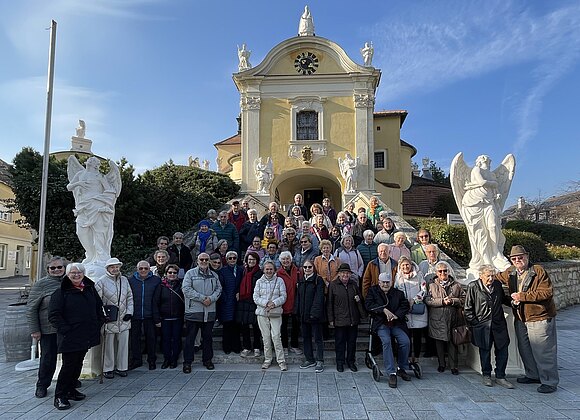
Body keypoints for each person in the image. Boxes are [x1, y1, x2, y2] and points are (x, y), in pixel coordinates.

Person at [496, 245, 558, 393]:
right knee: (525, 349)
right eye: (514, 258)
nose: (518, 260)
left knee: (543, 351)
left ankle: (549, 382)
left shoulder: (538, 271)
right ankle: (533, 375)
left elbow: (546, 293)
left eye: (520, 257)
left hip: (539, 317)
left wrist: (522, 297)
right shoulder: (511, 272)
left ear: (527, 256)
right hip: (521, 317)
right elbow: (496, 278)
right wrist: (483, 279)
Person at [48, 263, 105, 410]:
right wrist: (66, 329)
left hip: (86, 334)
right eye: (73, 273)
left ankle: (71, 390)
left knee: (78, 363)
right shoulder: (61, 292)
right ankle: (60, 396)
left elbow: (98, 306)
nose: (76, 275)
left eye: (79, 272)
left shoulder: (89, 289)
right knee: (68, 366)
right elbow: (54, 315)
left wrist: (98, 322)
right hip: (70, 336)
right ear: (67, 275)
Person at [465, 265, 514, 389]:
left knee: (503, 350)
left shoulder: (497, 285)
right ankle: (486, 375)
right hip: (483, 325)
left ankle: (500, 376)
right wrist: (476, 323)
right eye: (488, 276)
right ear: (481, 276)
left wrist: (514, 302)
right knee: (485, 352)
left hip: (498, 324)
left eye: (492, 276)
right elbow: (468, 309)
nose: (491, 279)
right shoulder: (473, 286)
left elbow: (503, 299)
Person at [66, 156, 121, 264]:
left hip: (97, 205)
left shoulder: (100, 176)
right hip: (83, 207)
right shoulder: (80, 174)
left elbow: (110, 190)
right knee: (80, 232)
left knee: (99, 232)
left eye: (93, 161)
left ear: (95, 165)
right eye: (91, 160)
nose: (90, 161)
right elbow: (69, 187)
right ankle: (90, 255)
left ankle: (101, 257)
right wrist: (78, 183)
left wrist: (105, 203)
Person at [27, 257, 66, 399]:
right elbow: (31, 308)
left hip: (66, 328)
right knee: (48, 358)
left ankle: (70, 381)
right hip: (48, 328)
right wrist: (34, 329)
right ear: (48, 270)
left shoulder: (68, 282)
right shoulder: (41, 285)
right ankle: (42, 385)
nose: (57, 270)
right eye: (53, 268)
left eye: (59, 267)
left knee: (70, 357)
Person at [366, 272, 411, 388]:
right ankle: (391, 372)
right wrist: (383, 310)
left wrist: (396, 315)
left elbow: (405, 306)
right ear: (379, 282)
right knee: (386, 341)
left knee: (405, 341)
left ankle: (402, 368)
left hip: (396, 324)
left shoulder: (398, 293)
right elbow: (369, 305)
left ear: (391, 283)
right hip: (381, 324)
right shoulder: (373, 291)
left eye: (387, 282)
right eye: (383, 282)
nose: (385, 285)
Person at [182, 253, 222, 372]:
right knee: (190, 339)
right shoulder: (190, 274)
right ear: (197, 260)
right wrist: (202, 298)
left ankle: (207, 360)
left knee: (208, 338)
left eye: (206, 259)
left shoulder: (214, 275)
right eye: (202, 259)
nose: (204, 261)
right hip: (194, 312)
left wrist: (211, 298)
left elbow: (219, 289)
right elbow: (186, 289)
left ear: (209, 261)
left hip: (209, 312)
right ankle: (187, 362)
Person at [95, 257, 134, 379]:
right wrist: (103, 315)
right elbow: (97, 301)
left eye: (117, 267)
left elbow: (130, 297)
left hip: (123, 318)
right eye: (112, 267)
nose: (115, 269)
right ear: (107, 268)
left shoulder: (124, 280)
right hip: (109, 319)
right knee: (108, 346)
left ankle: (122, 367)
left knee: (123, 345)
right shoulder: (101, 281)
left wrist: (129, 312)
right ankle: (108, 368)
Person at [425, 261, 465, 375]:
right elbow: (427, 300)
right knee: (439, 343)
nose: (443, 273)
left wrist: (453, 301)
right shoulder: (431, 285)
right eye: (440, 271)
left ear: (448, 271)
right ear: (436, 273)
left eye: (445, 271)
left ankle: (454, 366)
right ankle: (441, 364)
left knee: (453, 343)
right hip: (437, 318)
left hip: (453, 318)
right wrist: (442, 301)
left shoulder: (456, 285)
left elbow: (464, 299)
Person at [393, 256, 428, 378]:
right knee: (406, 337)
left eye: (407, 264)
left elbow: (424, 289)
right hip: (405, 310)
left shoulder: (419, 275)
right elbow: (396, 291)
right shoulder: (398, 277)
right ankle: (406, 359)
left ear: (411, 264)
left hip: (416, 308)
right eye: (403, 265)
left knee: (417, 336)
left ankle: (416, 358)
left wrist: (414, 299)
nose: (405, 267)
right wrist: (403, 302)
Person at [327, 263, 364, 372]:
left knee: (352, 343)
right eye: (343, 273)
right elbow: (329, 303)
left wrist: (358, 299)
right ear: (339, 274)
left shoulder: (353, 284)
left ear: (350, 274)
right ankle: (340, 362)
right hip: (340, 319)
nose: (345, 275)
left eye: (347, 273)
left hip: (353, 319)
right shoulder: (333, 285)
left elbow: (360, 299)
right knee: (340, 343)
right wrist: (331, 319)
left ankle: (351, 362)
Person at [253, 261, 287, 371]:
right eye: (267, 269)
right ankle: (267, 360)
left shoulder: (279, 280)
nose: (269, 271)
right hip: (262, 313)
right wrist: (266, 303)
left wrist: (274, 303)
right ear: (263, 270)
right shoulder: (259, 282)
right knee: (266, 337)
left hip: (275, 312)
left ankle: (281, 361)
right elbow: (255, 297)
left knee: (276, 337)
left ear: (274, 270)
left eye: (271, 269)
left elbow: (283, 296)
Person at [128, 261, 161, 370]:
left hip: (150, 314)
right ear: (137, 269)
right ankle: (136, 360)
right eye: (141, 268)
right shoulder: (130, 281)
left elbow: (158, 299)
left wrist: (157, 316)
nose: (143, 270)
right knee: (135, 339)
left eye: (146, 268)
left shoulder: (156, 280)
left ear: (149, 269)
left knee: (151, 339)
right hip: (135, 314)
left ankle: (152, 360)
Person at [294, 260, 325, 373]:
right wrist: (297, 311)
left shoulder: (318, 280)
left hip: (315, 316)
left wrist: (314, 313)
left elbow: (319, 298)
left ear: (313, 268)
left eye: (309, 267)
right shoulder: (301, 280)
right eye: (305, 267)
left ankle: (320, 360)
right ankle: (309, 359)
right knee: (306, 338)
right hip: (303, 315)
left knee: (318, 339)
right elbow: (298, 297)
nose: (307, 269)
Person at [153, 264, 185, 369]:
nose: (172, 274)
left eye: (174, 273)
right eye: (170, 272)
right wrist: (157, 319)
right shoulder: (160, 286)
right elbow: (155, 303)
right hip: (164, 318)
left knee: (177, 339)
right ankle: (166, 359)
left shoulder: (181, 285)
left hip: (178, 318)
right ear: (166, 274)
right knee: (165, 339)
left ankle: (174, 359)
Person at [237, 252, 263, 358]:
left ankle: (257, 347)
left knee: (256, 325)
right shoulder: (243, 271)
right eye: (249, 259)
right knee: (244, 325)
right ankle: (246, 347)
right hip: (243, 301)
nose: (251, 261)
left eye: (253, 259)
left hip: (255, 301)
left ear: (257, 261)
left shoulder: (260, 273)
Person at [277, 251, 302, 356]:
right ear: (280, 261)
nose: (285, 261)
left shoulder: (298, 271)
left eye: (287, 259)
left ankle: (294, 345)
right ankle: (284, 346)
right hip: (284, 303)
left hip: (295, 302)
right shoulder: (278, 273)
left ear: (291, 260)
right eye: (283, 259)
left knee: (296, 326)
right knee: (283, 326)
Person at [218, 251, 242, 354]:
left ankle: (236, 347)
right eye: (230, 258)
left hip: (238, 301)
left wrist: (240, 292)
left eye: (234, 258)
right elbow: (220, 287)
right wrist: (225, 298)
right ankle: (227, 347)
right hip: (226, 302)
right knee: (227, 325)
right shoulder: (223, 271)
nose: (232, 260)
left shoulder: (241, 270)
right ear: (227, 260)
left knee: (236, 325)